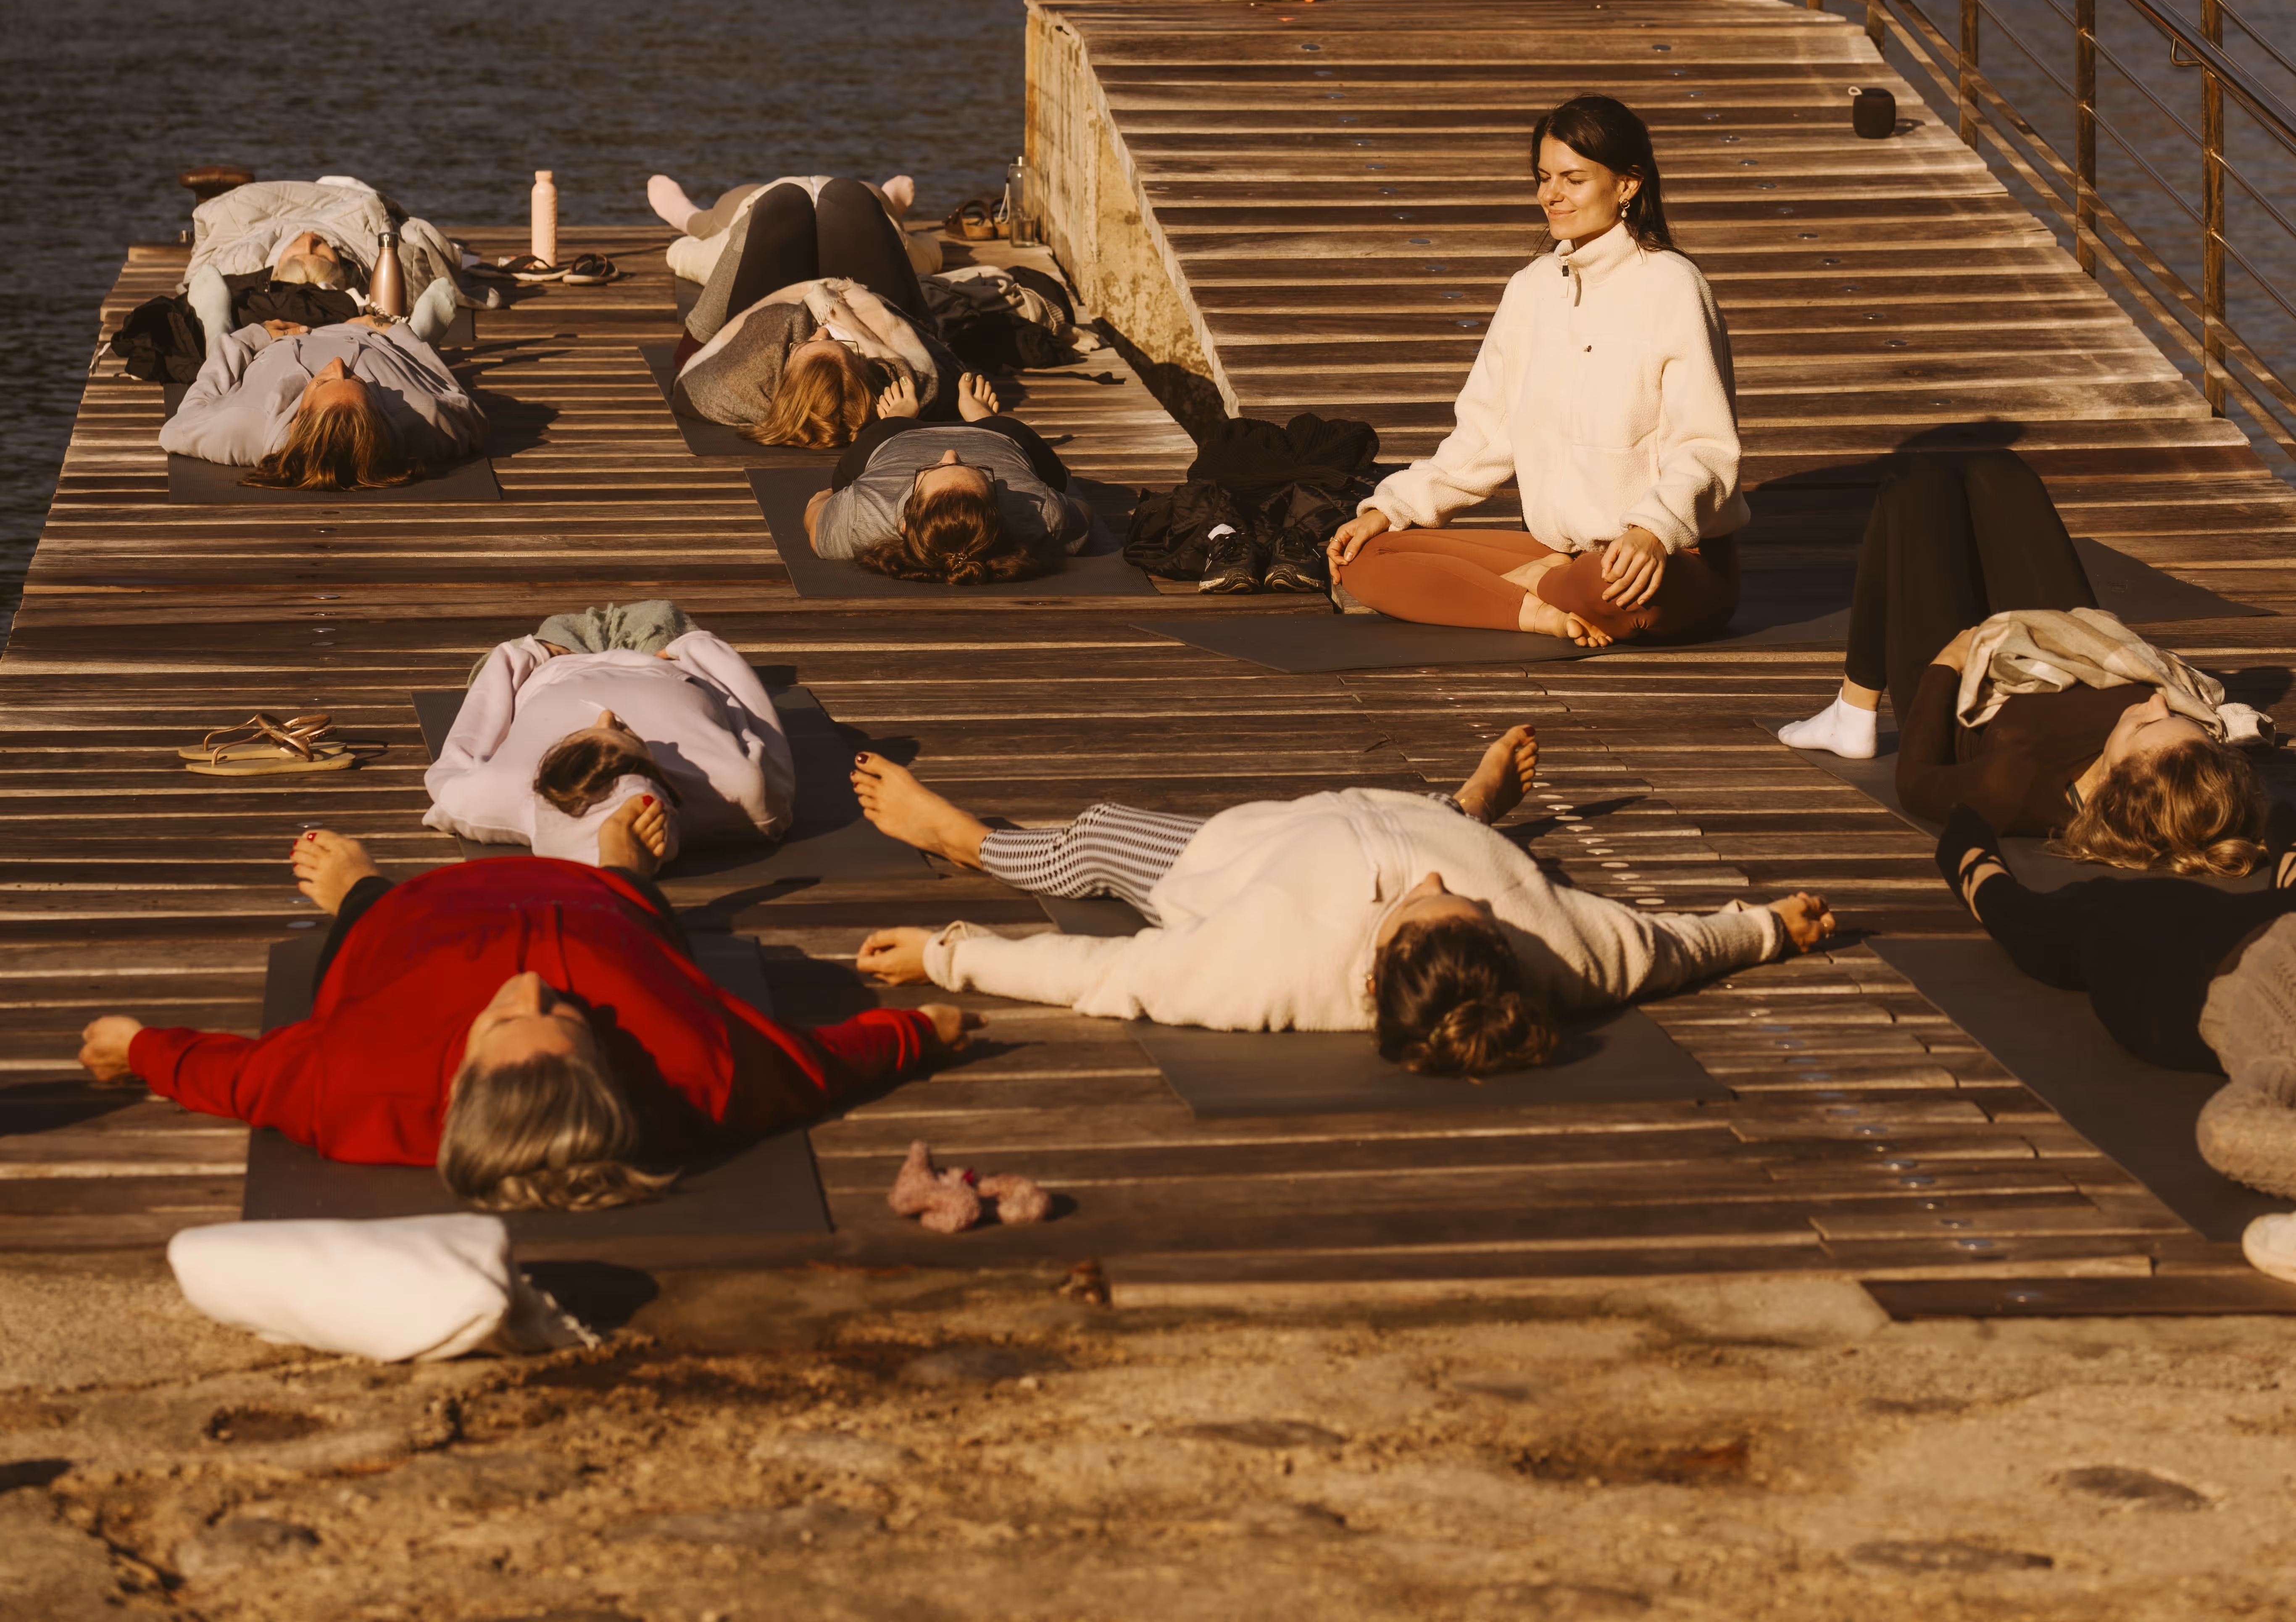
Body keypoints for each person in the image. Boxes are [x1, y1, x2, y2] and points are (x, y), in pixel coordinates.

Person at [76, 826, 964, 1211]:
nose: (535, 988)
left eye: (510, 1021)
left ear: (457, 1081)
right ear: (606, 1071)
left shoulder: (351, 1091)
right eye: (572, 1022)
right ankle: (623, 865)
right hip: (602, 900)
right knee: (631, 896)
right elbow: (826, 1065)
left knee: (369, 917)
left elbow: (232, 1075)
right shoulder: (703, 1078)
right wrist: (925, 1029)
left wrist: (137, 1045)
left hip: (412, 914)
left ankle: (356, 885)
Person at [847, 736, 1832, 1073]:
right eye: (1468, 907)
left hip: (1227, 860)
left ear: (1370, 963)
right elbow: (1673, 945)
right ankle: (1469, 808)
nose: (1440, 891)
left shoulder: (1257, 968)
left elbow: (1101, 974)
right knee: (1446, 840)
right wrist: (1766, 929)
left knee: (1099, 835)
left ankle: (964, 837)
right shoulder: (1566, 950)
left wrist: (944, 956)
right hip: (1411, 815)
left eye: (1423, 909)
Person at [1326, 94, 1745, 646]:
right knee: (1364, 557)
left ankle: (1518, 594)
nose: (1551, 195)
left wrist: (1651, 530)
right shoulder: (1530, 290)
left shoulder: (1673, 287)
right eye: (1544, 177)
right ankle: (1538, 605)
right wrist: (1391, 509)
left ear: (1627, 184)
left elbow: (1707, 447)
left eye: (1573, 179)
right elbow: (1482, 439)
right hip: (1566, 552)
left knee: (1609, 586)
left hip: (1666, 558)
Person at [1777, 451, 2270, 870]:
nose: (2159, 704)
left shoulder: (2016, 791)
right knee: (2000, 472)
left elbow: (1915, 783)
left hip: (1968, 686)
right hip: (2062, 651)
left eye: (2145, 726)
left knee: (1917, 489)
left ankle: (1853, 710)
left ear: (2111, 785)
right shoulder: (2196, 781)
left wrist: (1945, 665)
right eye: (2184, 723)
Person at [1937, 804, 2296, 1199]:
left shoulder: (2284, 1056)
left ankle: (1979, 872)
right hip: (2267, 929)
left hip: (2199, 959)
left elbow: (2232, 1134)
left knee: (2081, 916)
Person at [424, 604, 795, 868]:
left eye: (582, 738)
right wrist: (696, 650)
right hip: (662, 662)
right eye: (625, 736)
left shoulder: (493, 793)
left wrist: (520, 658)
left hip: (556, 665)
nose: (607, 717)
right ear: (652, 769)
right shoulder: (740, 794)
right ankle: (624, 866)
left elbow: (472, 733)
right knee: (661, 612)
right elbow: (754, 717)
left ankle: (618, 864)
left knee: (558, 625)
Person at [657, 169, 1003, 449]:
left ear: (783, 377)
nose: (820, 329)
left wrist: (696, 343)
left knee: (780, 202)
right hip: (862, 294)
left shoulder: (735, 386)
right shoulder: (907, 388)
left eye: (805, 345)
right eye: (844, 346)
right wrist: (899, 422)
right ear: (863, 370)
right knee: (851, 197)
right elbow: (948, 363)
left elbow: (687, 377)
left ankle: (690, 220)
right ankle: (892, 211)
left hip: (776, 296)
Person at [163, 315, 487, 490]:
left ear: (296, 421)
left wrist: (252, 337)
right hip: (370, 337)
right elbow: (461, 401)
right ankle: (418, 325)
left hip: (280, 340)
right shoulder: (422, 418)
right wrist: (395, 333)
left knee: (222, 338)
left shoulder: (243, 425)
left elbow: (178, 426)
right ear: (382, 418)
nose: (336, 364)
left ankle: (216, 323)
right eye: (358, 381)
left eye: (324, 382)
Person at [807, 416, 1103, 584]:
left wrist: (836, 499)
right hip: (1000, 433)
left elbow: (816, 504)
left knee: (843, 480)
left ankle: (899, 412)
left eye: (930, 470)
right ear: (1000, 509)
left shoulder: (862, 515)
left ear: (903, 524)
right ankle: (981, 412)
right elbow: (1079, 501)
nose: (950, 453)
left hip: (894, 434)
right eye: (978, 471)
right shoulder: (1042, 514)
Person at [184, 175, 462, 353]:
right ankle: (413, 342)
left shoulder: (250, 267)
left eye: (305, 251)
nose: (308, 240)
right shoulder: (352, 296)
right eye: (320, 252)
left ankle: (218, 342)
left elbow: (218, 242)